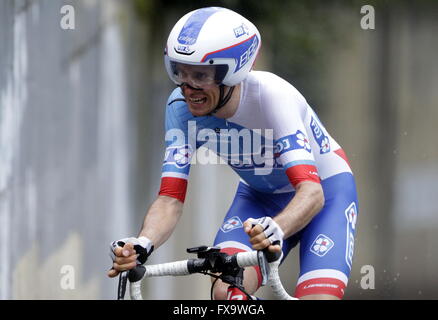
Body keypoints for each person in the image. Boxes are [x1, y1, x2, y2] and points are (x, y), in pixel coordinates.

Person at [108, 6, 358, 300]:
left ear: (234, 70)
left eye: (200, 75)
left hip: (326, 194)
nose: (189, 88)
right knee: (226, 293)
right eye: (180, 72)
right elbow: (170, 200)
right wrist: (143, 243)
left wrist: (277, 228)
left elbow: (312, 193)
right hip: (259, 199)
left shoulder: (272, 97)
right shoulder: (180, 109)